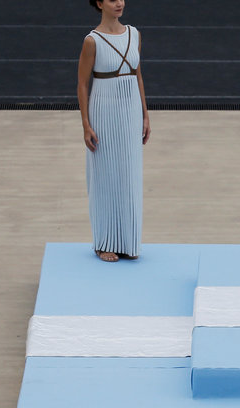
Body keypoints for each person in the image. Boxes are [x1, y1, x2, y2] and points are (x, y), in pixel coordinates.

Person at [77, 0, 150, 263]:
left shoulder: (134, 34)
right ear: (99, 3)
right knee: (105, 176)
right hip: (104, 113)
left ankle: (128, 241)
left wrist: (145, 114)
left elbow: (138, 75)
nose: (119, 3)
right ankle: (104, 242)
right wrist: (86, 124)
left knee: (129, 175)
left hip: (130, 111)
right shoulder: (92, 41)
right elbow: (82, 84)